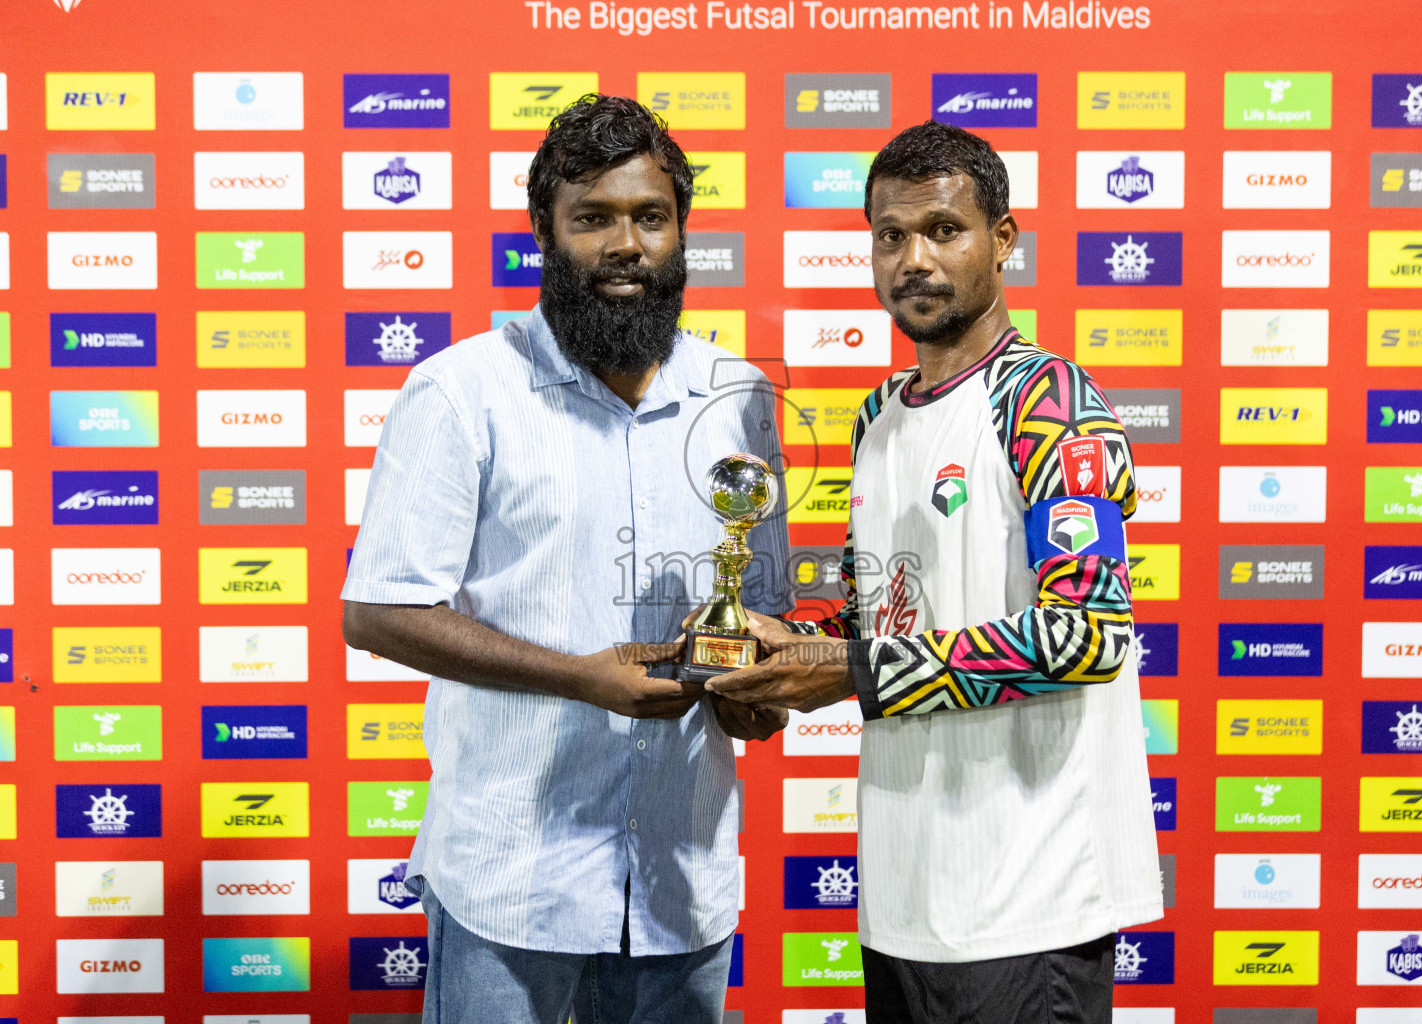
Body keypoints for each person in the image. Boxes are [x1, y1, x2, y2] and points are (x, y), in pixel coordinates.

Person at [341, 94, 792, 1024]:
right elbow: (379, 610)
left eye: (649, 217)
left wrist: (758, 690)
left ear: (680, 234)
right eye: (593, 218)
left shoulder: (739, 397)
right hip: (513, 884)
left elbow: (758, 612)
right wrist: (577, 678)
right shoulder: (462, 392)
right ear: (546, 231)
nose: (625, 244)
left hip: (682, 885)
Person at [708, 120, 1162, 1023]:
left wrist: (854, 671)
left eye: (944, 231)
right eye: (890, 235)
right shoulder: (878, 413)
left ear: (1002, 241)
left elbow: (1087, 635)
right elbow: (881, 622)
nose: (914, 258)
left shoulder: (1049, 399)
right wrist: (785, 652)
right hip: (905, 896)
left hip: (1030, 899)